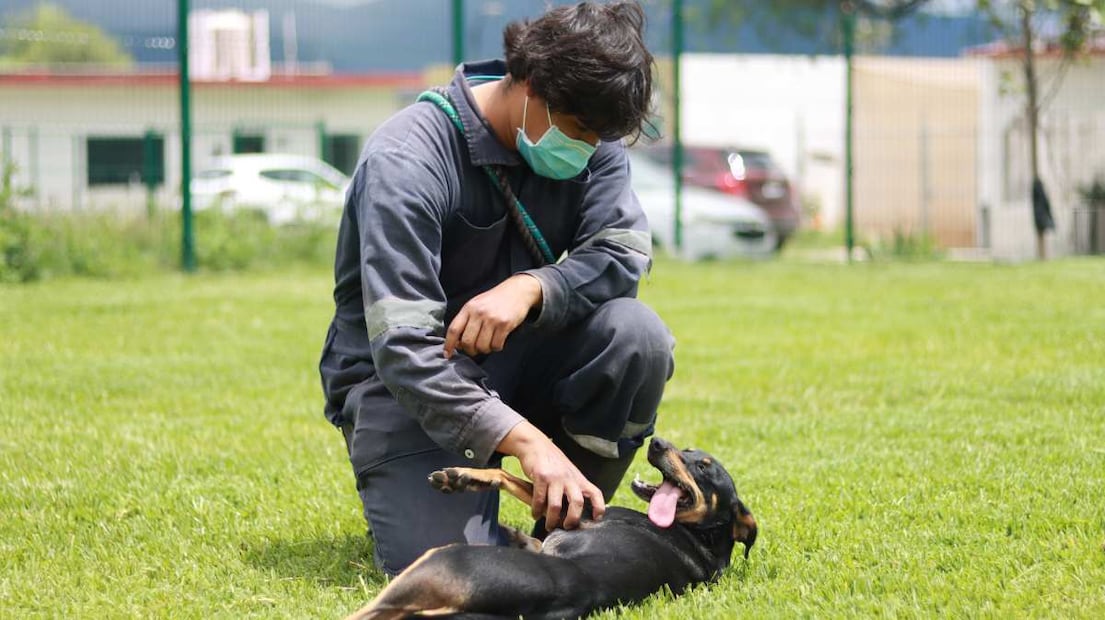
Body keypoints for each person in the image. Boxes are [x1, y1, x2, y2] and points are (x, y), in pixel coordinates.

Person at [318, 0, 674, 577]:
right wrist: (530, 443)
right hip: (407, 385)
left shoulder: (592, 133)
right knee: (461, 573)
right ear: (529, 84)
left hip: (518, 362)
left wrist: (534, 286)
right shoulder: (408, 158)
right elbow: (403, 349)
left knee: (637, 336)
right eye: (579, 132)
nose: (586, 149)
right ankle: (454, 496)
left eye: (598, 138)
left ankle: (564, 520)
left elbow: (623, 252)